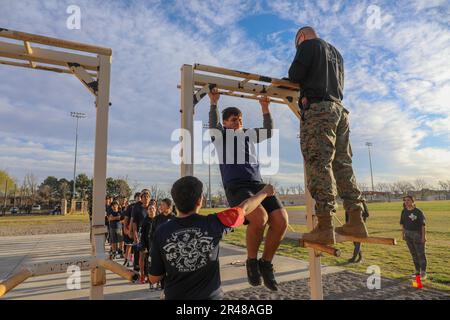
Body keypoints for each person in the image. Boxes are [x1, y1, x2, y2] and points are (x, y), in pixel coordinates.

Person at [288, 26, 368, 244]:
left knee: (318, 163)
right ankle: (356, 220)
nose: (298, 46)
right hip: (339, 110)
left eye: (297, 43)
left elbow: (294, 75)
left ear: (301, 37)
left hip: (320, 110)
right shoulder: (336, 54)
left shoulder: (308, 45)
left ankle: (325, 226)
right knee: (342, 164)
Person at [208, 89, 288, 291]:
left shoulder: (248, 135)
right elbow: (212, 124)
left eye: (240, 119)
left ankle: (266, 263)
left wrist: (265, 107)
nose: (238, 122)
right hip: (236, 185)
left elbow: (268, 131)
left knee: (281, 220)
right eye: (234, 119)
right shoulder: (220, 136)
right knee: (259, 218)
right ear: (225, 123)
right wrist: (213, 103)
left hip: (257, 183)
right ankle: (251, 262)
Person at [149, 176, 275, 300]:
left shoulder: (161, 232)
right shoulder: (214, 223)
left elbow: (154, 278)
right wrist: (264, 192)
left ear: (175, 202)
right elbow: (245, 208)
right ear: (200, 200)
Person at [148, 198, 176, 290]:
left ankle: (169, 288)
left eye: (162, 205)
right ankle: (162, 287)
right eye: (160, 205)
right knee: (161, 269)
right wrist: (153, 247)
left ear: (169, 206)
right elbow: (152, 234)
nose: (160, 206)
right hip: (159, 250)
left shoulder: (175, 218)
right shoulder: (157, 219)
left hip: (172, 250)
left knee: (171, 270)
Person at [400, 195, 427, 280]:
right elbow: (403, 224)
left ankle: (423, 272)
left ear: (413, 201)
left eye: (408, 200)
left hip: (417, 235)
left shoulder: (418, 212)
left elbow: (423, 225)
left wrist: (423, 237)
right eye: (405, 200)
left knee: (420, 254)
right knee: (413, 254)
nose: (406, 202)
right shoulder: (404, 211)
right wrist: (403, 234)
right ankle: (417, 271)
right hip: (408, 234)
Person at [140, 202, 157, 284]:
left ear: (156, 210)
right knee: (148, 262)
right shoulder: (145, 221)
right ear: (147, 211)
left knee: (157, 262)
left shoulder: (158, 220)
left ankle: (158, 279)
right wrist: (144, 246)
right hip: (148, 245)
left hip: (157, 245)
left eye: (153, 209)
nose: (151, 210)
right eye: (150, 209)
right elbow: (142, 235)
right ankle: (147, 276)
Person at [123, 192, 140, 267]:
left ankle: (134, 260)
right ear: (135, 198)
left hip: (139, 229)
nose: (139, 198)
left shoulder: (144, 206)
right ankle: (126, 260)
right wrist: (125, 228)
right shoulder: (131, 206)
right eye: (138, 197)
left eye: (140, 197)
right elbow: (126, 218)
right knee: (129, 245)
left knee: (137, 246)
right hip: (130, 228)